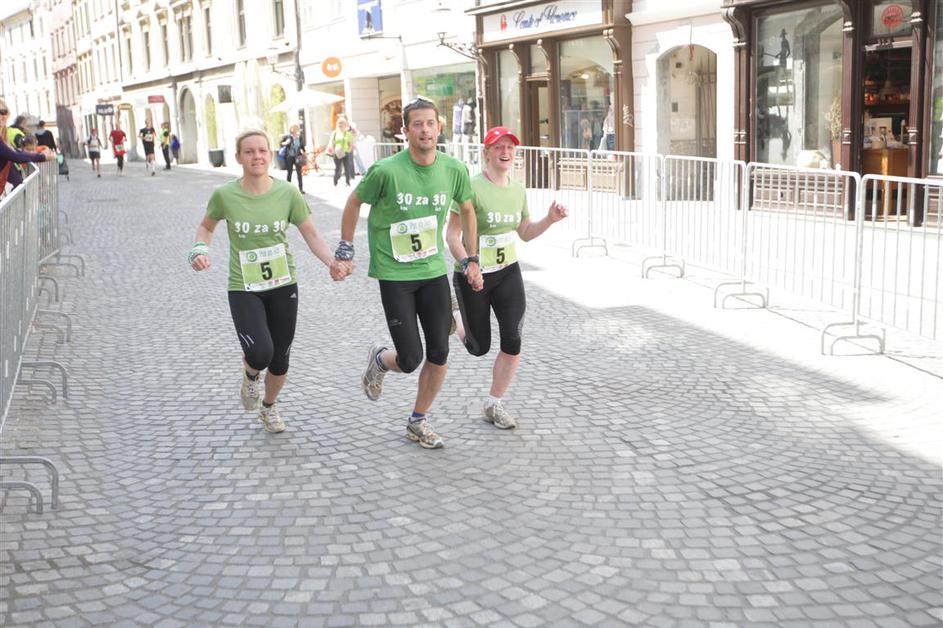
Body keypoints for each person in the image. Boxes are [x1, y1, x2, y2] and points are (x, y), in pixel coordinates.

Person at [333, 96, 483, 449]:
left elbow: (467, 209)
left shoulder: (454, 169)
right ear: (405, 131)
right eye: (417, 124)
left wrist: (472, 258)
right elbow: (354, 201)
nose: (425, 130)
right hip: (395, 275)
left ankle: (418, 420)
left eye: (430, 123)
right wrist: (345, 247)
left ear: (439, 127)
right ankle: (380, 360)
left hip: (432, 271)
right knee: (411, 358)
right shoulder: (386, 171)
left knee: (440, 352)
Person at [188, 129, 342, 433]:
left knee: (280, 358)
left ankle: (269, 406)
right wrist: (199, 250)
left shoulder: (288, 193)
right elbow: (206, 228)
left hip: (283, 284)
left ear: (270, 155)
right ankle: (250, 376)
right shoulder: (225, 195)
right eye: (249, 151)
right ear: (238, 157)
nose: (256, 156)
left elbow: (311, 233)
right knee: (260, 352)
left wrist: (331, 262)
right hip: (244, 286)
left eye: (262, 150)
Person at [446, 126, 567, 430]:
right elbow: (452, 235)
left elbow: (525, 232)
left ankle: (494, 403)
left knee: (513, 339)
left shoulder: (518, 189)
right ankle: (456, 316)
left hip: (508, 272)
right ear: (486, 153)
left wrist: (550, 220)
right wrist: (468, 263)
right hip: (473, 275)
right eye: (498, 147)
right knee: (478, 347)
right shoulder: (471, 187)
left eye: (510, 148)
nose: (505, 152)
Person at [0, 99, 55, 194]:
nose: (2, 116)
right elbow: (15, 156)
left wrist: (39, 153)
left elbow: (14, 152)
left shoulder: (4, 134)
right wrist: (43, 157)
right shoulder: (14, 132)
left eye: (4, 112)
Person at [328, 117, 354, 187]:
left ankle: (347, 182)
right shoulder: (335, 133)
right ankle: (335, 180)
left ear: (345, 124)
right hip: (337, 152)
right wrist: (333, 151)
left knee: (347, 167)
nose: (340, 124)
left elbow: (350, 143)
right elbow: (332, 143)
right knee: (338, 168)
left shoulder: (348, 134)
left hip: (345, 152)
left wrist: (349, 150)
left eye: (342, 123)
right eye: (339, 123)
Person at [279, 124, 305, 193]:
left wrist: (304, 152)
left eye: (296, 128)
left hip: (297, 157)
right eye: (293, 128)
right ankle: (288, 189)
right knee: (289, 172)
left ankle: (301, 189)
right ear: (291, 130)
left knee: (299, 173)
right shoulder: (287, 137)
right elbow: (281, 143)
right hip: (289, 157)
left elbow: (302, 146)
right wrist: (285, 143)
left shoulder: (299, 137)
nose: (295, 130)